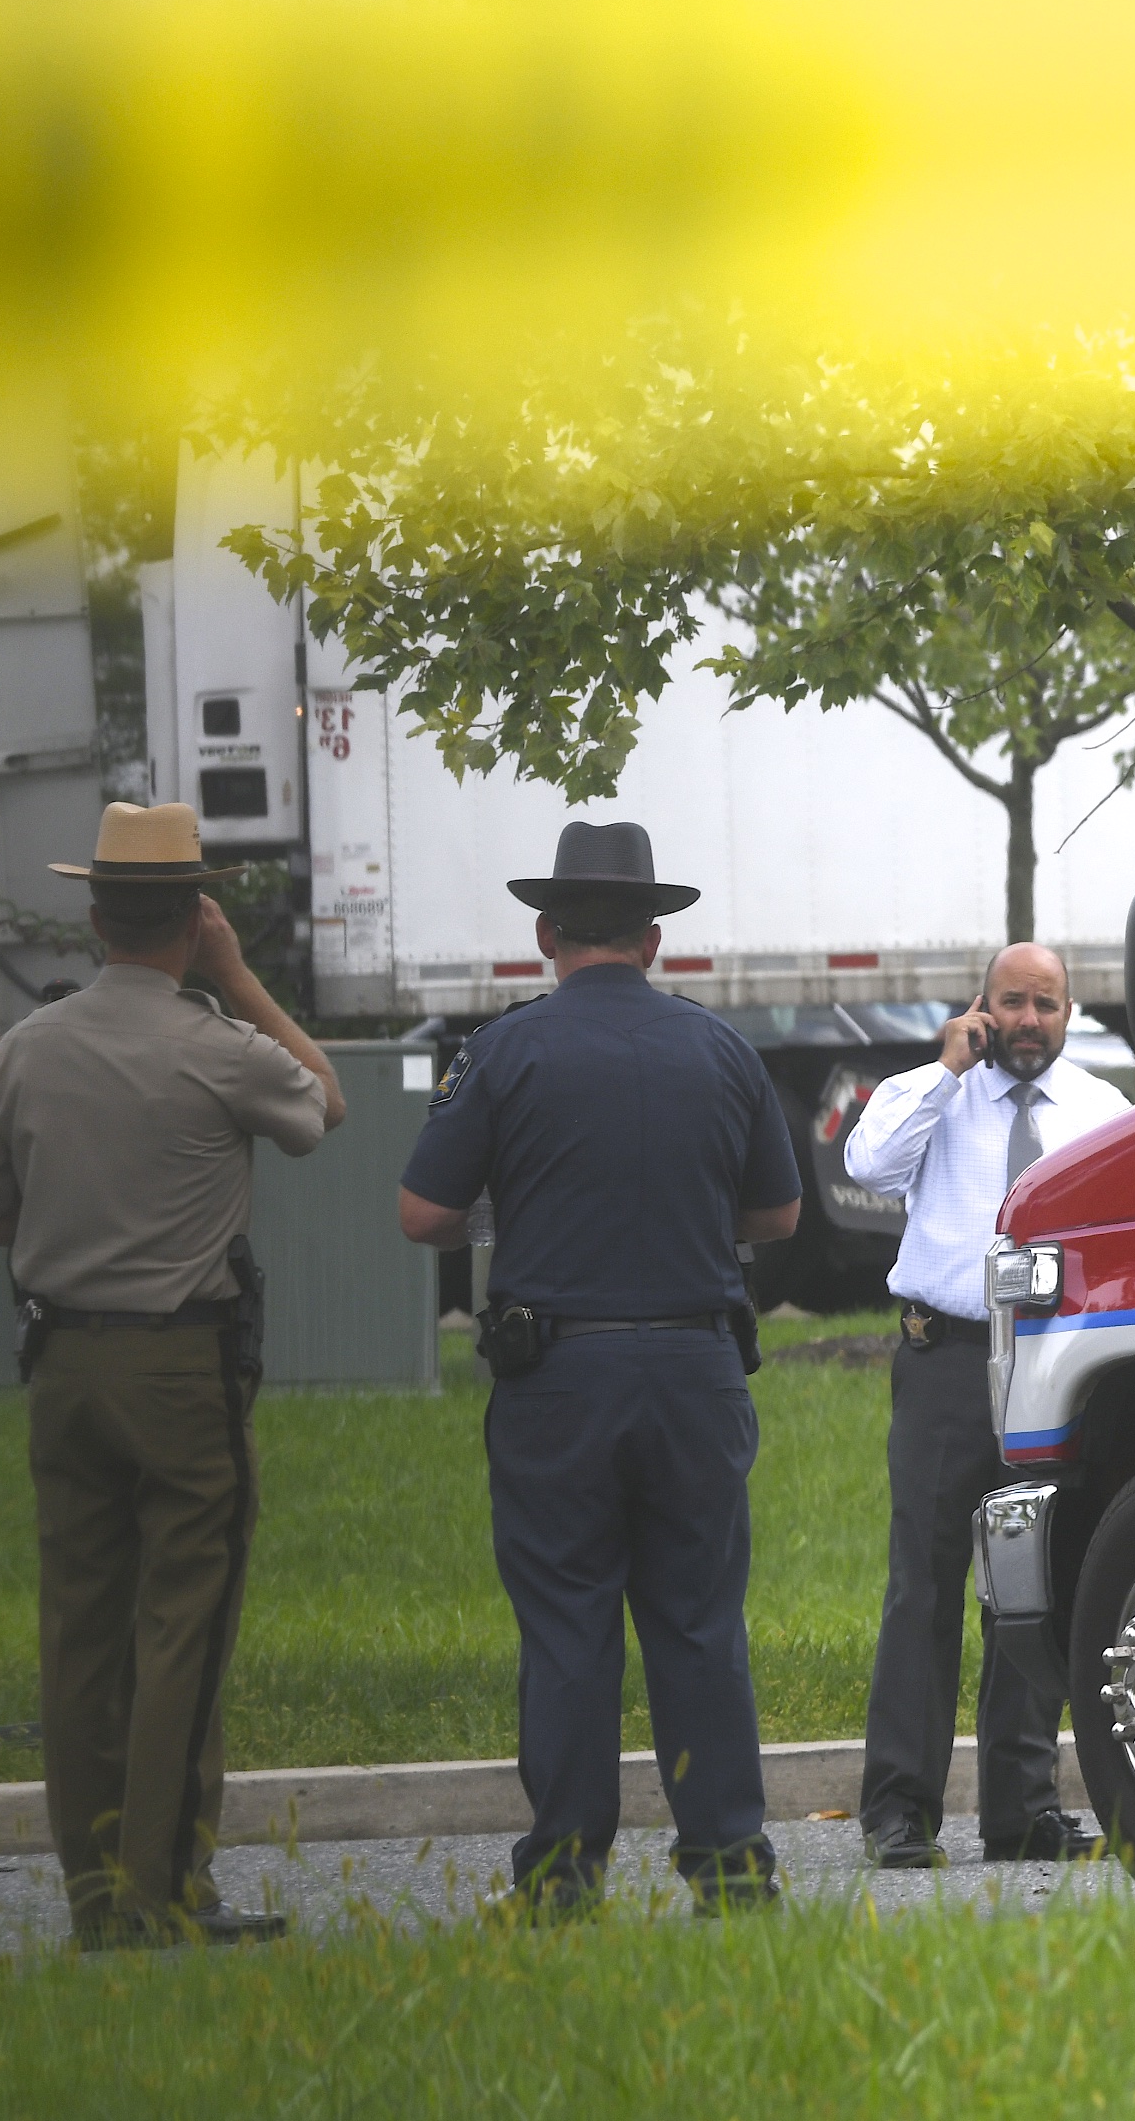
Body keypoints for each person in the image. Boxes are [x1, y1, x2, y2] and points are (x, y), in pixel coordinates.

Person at [0, 801, 346, 1951]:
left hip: (62, 1361)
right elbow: (325, 1103)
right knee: (182, 1626)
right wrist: (241, 977)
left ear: (94, 915)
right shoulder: (214, 1044)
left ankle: (90, 1895)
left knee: (80, 1630)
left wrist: (66, 1212)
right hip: (182, 1370)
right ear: (193, 918)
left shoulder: (29, 1046)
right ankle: (160, 1891)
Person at [398, 819, 799, 1918]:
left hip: (560, 1378)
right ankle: (730, 1867)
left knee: (569, 1627)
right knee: (699, 1625)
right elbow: (778, 1212)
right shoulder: (722, 1051)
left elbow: (424, 1212)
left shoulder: (505, 1051)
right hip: (696, 1369)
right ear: (656, 936)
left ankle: (565, 1879)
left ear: (546, 932)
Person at [835, 940, 1126, 1867]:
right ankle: (898, 1809)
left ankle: (1021, 1810)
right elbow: (871, 1166)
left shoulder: (1101, 1109)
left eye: (1045, 1004)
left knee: (1030, 1590)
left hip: (1052, 1371)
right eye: (1012, 1002)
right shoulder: (931, 1092)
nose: (1028, 1021)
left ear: (1069, 1013)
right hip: (948, 1365)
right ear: (980, 1005)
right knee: (923, 1586)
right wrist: (946, 1067)